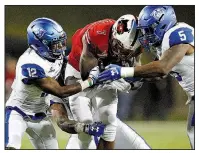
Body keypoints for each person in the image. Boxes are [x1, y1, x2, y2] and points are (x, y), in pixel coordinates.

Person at [98, 5, 194, 149]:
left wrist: (123, 72)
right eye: (143, 31)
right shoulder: (163, 44)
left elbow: (162, 68)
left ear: (163, 23)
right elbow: (155, 73)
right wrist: (126, 80)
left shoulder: (178, 33)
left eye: (148, 30)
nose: (145, 35)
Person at [5, 17, 104, 149]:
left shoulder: (57, 59)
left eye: (61, 43)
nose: (60, 48)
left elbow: (62, 122)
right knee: (10, 146)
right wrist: (90, 81)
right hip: (17, 112)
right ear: (39, 44)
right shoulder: (29, 63)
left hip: (41, 115)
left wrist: (85, 127)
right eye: (55, 44)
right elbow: (60, 91)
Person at [63, 14, 149, 149]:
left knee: (108, 118)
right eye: (119, 46)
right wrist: (105, 76)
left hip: (104, 68)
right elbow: (86, 77)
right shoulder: (97, 34)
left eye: (127, 51)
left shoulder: (137, 45)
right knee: (85, 123)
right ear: (114, 34)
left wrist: (128, 79)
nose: (121, 53)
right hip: (78, 71)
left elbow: (136, 80)